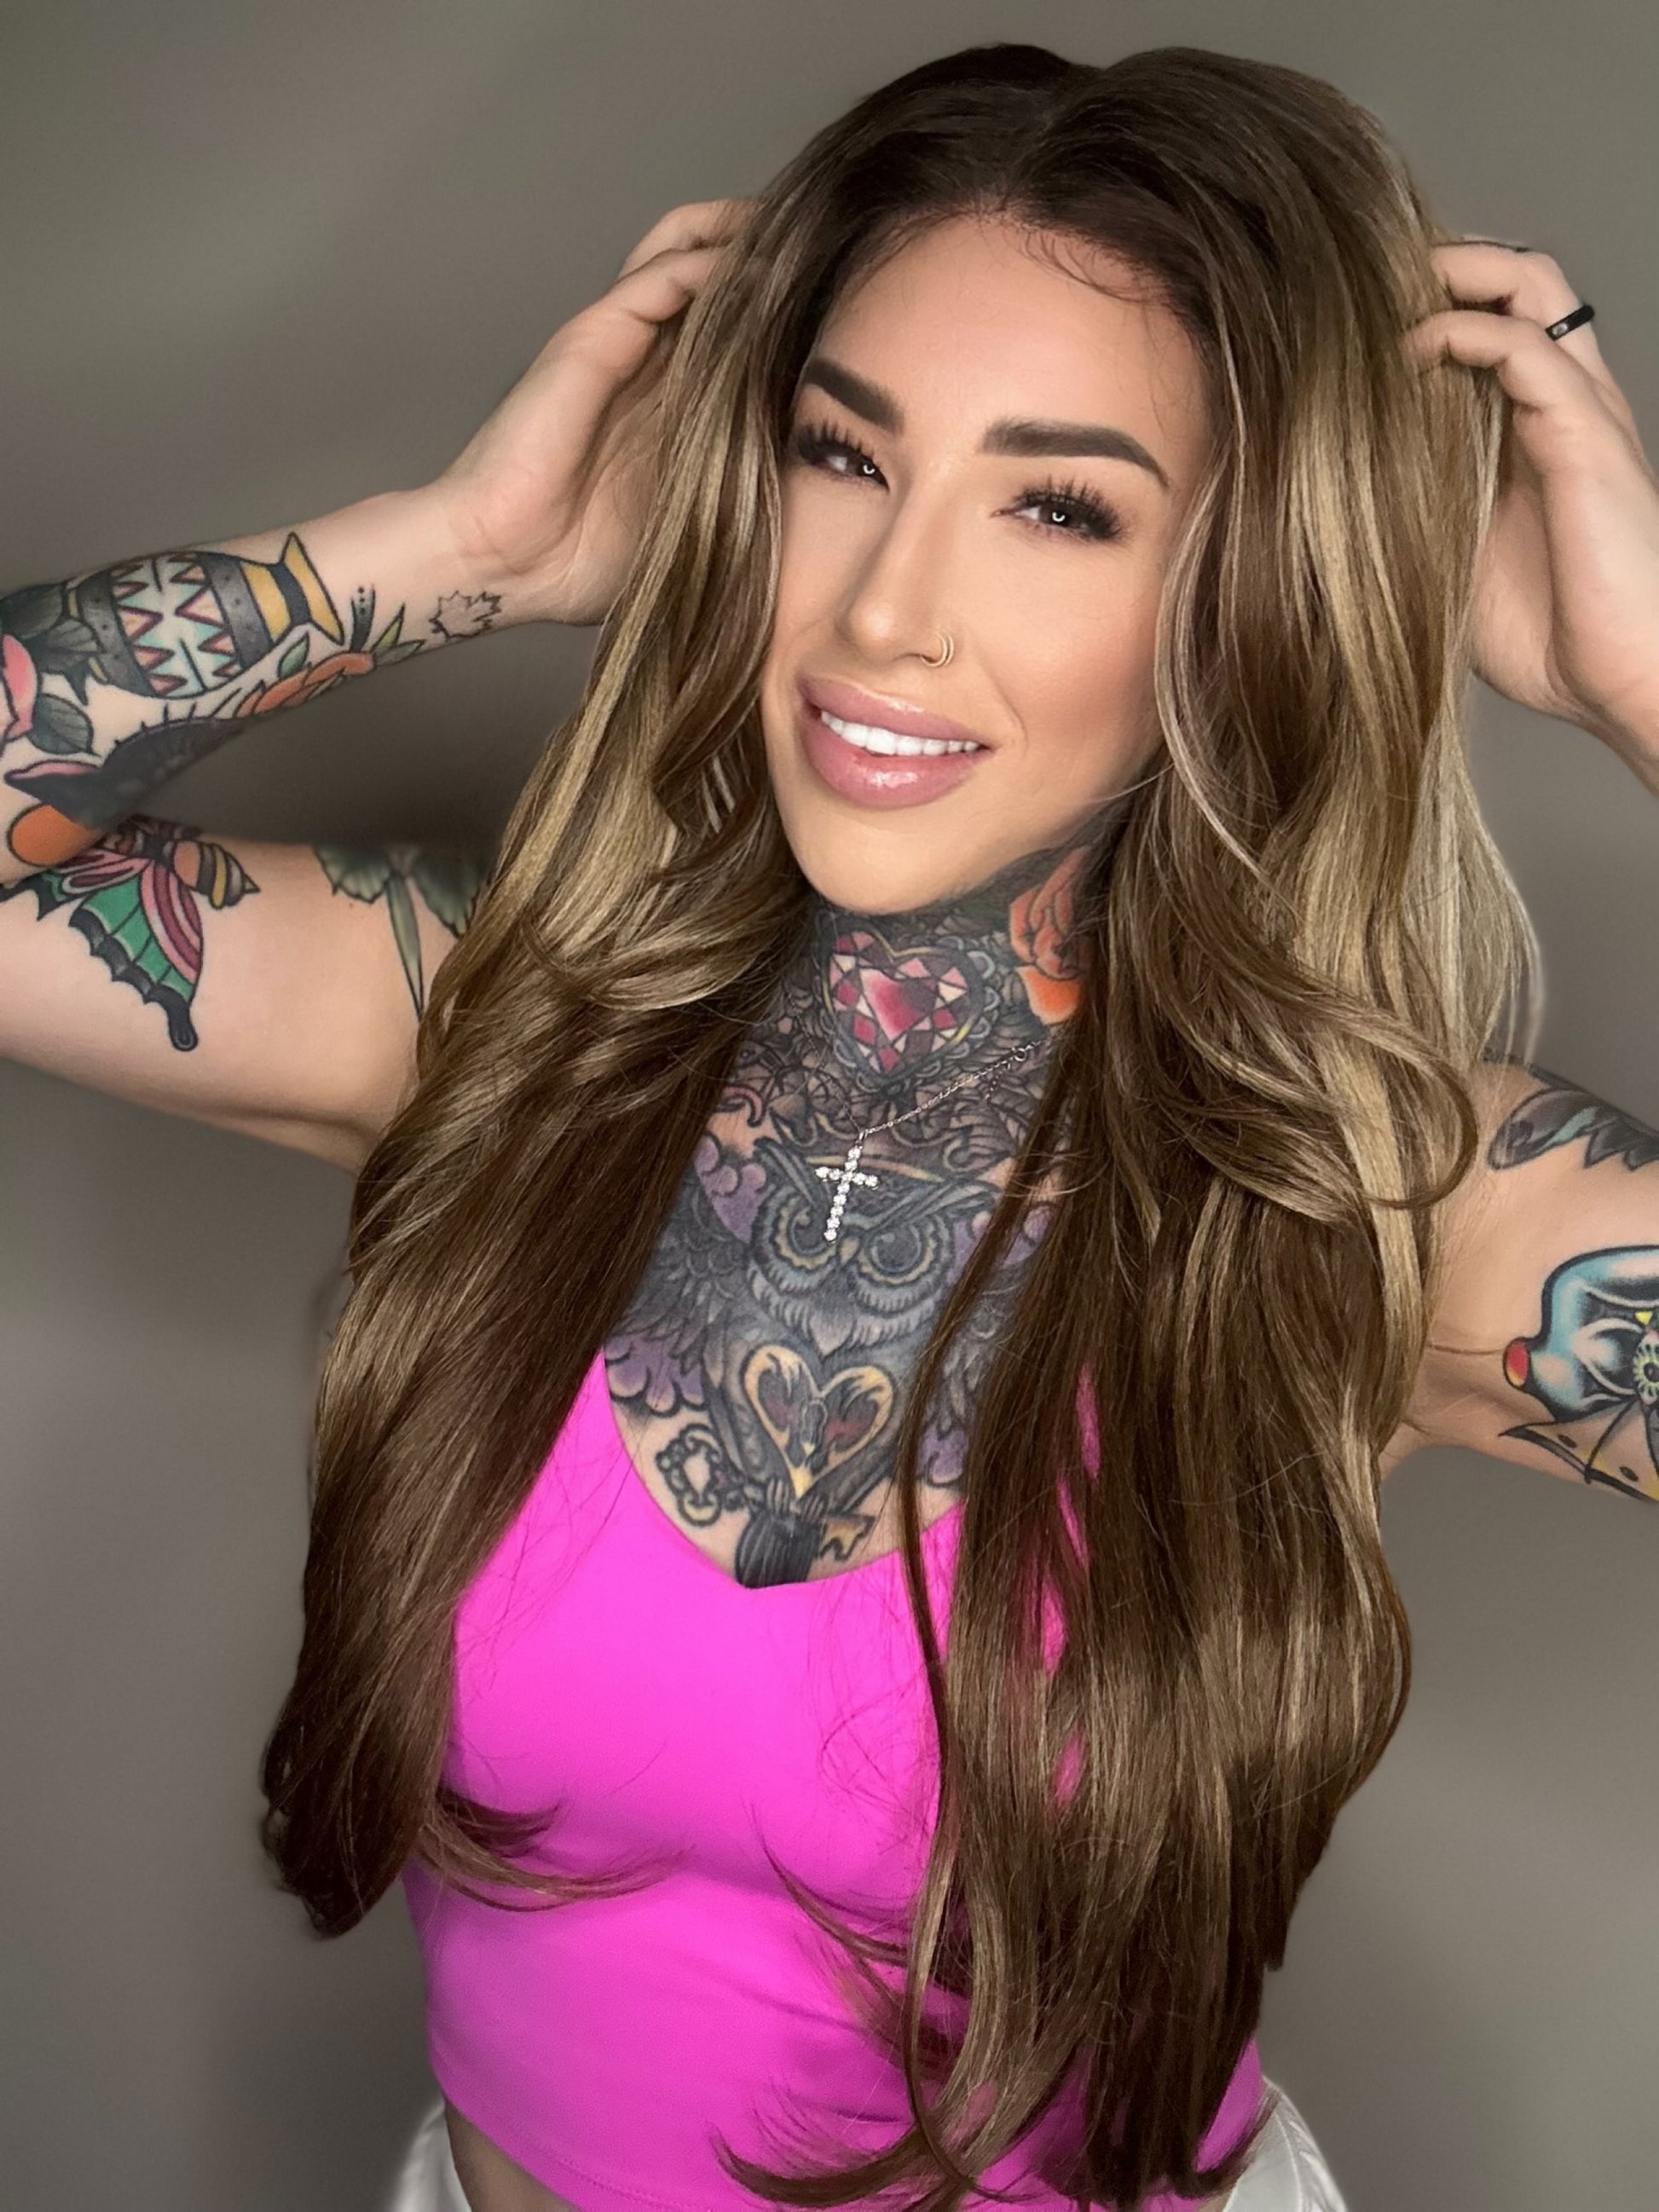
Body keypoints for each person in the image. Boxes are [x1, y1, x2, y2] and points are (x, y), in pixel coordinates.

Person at [4, 36, 1656, 2212]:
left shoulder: (1376, 1193)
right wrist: (456, 551)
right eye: (840, 453)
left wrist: (1649, 684)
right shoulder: (510, 1030)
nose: (883, 608)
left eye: (1059, 505)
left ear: (1253, 582)